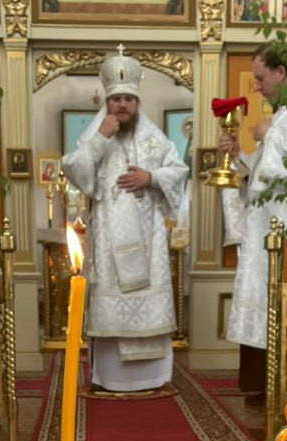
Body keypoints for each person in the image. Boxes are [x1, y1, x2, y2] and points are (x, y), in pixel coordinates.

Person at [60, 45, 189, 393]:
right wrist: (101, 138)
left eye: (128, 100)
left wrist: (151, 177)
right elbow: (73, 168)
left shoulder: (154, 139)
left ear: (137, 102)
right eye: (116, 99)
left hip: (148, 240)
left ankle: (153, 377)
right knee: (110, 302)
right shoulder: (96, 134)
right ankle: (111, 378)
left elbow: (179, 170)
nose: (122, 105)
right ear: (107, 101)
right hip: (108, 237)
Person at [220, 43, 287, 397]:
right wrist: (240, 157)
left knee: (283, 304)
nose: (258, 86)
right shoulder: (283, 114)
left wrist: (270, 136)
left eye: (261, 78)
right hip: (265, 226)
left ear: (281, 72)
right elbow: (264, 177)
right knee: (261, 300)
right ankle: (261, 387)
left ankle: (285, 389)